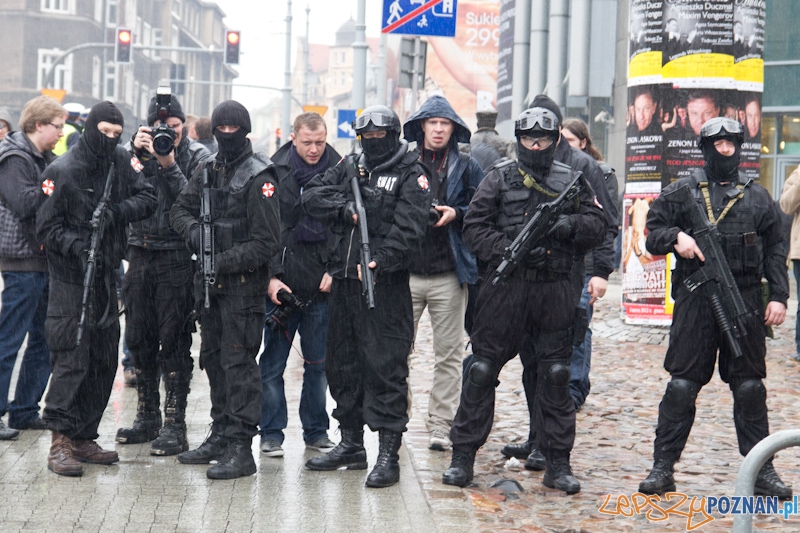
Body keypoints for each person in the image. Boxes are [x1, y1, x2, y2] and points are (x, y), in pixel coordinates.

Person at [442, 105, 607, 494]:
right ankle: (462, 456)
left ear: (553, 142)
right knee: (481, 371)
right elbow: (474, 228)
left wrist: (569, 227)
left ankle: (557, 462)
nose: (536, 145)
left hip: (554, 291)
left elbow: (601, 225)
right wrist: (505, 249)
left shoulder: (575, 180)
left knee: (555, 375)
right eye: (530, 139)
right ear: (519, 140)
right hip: (506, 290)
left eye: (544, 139)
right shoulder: (499, 178)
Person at [639, 117, 791, 499]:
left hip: (743, 302)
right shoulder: (681, 191)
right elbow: (652, 235)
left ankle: (762, 470)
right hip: (696, 301)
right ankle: (662, 467)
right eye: (718, 144)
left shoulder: (757, 197)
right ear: (705, 148)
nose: (725, 150)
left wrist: (778, 295)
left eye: (731, 144)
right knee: (681, 386)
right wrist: (677, 237)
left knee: (750, 388)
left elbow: (776, 248)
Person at [301, 105, 429, 488]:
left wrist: (382, 260)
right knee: (342, 365)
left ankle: (388, 453)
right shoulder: (350, 166)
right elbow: (311, 195)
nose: (372, 142)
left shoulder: (411, 172)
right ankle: (352, 444)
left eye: (379, 136)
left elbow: (412, 227)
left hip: (384, 288)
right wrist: (346, 210)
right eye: (366, 136)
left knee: (385, 368)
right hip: (342, 282)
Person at [36, 101, 158, 476]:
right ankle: (61, 441)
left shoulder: (119, 163)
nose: (109, 140)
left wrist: (116, 214)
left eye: (116, 135)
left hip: (107, 277)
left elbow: (148, 197)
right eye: (103, 133)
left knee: (104, 361)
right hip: (72, 280)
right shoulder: (62, 170)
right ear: (90, 128)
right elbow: (45, 227)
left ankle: (85, 435)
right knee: (72, 359)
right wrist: (77, 245)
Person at [499, 100, 619, 471]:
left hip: (572, 274)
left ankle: (552, 447)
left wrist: (601, 272)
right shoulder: (523, 163)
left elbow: (605, 222)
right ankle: (536, 437)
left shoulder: (583, 166)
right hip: (529, 276)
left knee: (559, 365)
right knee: (531, 362)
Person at [170, 100, 281, 479]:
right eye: (222, 130)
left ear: (246, 131)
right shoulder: (206, 168)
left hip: (244, 290)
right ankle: (220, 433)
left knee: (239, 367)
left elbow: (267, 243)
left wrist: (221, 259)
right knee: (214, 361)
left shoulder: (260, 176)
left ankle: (241, 447)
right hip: (210, 289)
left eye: (234, 130)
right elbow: (179, 211)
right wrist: (197, 236)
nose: (227, 136)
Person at [115, 92, 211, 455]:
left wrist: (168, 162)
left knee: (174, 341)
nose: (167, 134)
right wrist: (133, 154)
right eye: (160, 128)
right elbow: (118, 192)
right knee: (139, 338)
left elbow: (194, 201)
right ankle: (147, 416)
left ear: (183, 126)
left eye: (173, 127)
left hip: (176, 257)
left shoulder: (198, 155)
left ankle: (175, 423)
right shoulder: (133, 154)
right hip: (139, 253)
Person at [402, 95, 484, 451]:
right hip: (406, 272)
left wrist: (458, 213)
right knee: (398, 350)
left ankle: (441, 424)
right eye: (432, 122)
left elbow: (483, 208)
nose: (438, 129)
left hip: (450, 273)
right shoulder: (403, 162)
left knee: (449, 354)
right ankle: (396, 419)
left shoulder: (467, 167)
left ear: (453, 129)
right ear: (422, 126)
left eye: (444, 123)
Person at [258, 112, 340, 458]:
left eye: (319, 142)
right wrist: (271, 277)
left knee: (318, 366)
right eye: (307, 142)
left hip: (322, 283)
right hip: (283, 284)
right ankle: (271, 432)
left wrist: (335, 270)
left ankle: (316, 432)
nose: (314, 149)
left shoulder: (340, 170)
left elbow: (345, 226)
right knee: (272, 364)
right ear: (293, 138)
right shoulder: (273, 172)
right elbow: (265, 229)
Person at [0, 96, 65, 440]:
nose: (61, 133)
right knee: (9, 340)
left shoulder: (43, 158)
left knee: (44, 339)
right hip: (22, 261)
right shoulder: (14, 157)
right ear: (39, 125)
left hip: (43, 261)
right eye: (57, 126)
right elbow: (25, 203)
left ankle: (24, 410)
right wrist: (54, 187)